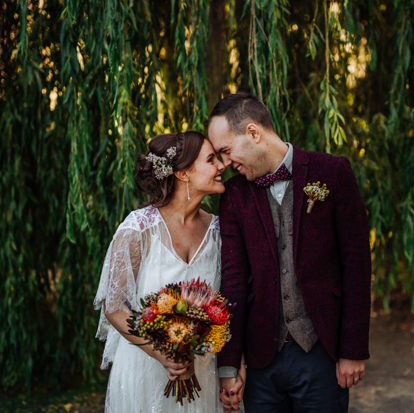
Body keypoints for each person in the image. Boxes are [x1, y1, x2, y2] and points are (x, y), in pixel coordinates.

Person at [207, 93, 372, 413]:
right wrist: (229, 365)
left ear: (254, 133)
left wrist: (353, 349)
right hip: (260, 362)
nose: (225, 164)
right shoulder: (233, 196)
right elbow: (234, 281)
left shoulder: (333, 172)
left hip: (321, 352)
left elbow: (356, 264)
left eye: (226, 151)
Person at [93, 132, 245, 413]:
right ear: (184, 173)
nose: (222, 166)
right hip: (145, 370)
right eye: (211, 159)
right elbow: (114, 307)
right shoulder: (138, 229)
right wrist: (164, 354)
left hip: (203, 372)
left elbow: (233, 303)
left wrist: (236, 366)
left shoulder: (220, 231)